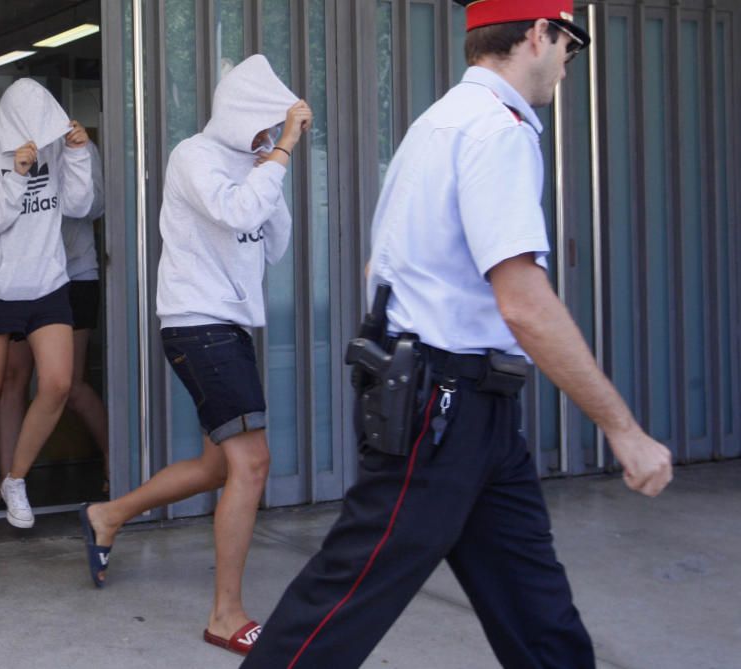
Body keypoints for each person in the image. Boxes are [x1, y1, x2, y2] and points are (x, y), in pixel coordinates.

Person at [242, 2, 673, 667]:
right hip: (443, 408)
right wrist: (622, 427)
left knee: (538, 612)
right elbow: (525, 304)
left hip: (467, 407)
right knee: (343, 601)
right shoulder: (496, 132)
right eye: (569, 45)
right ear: (537, 34)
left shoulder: (437, 123)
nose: (567, 63)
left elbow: (378, 262)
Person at [78, 54, 312, 656]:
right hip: (198, 325)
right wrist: (281, 153)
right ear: (241, 114)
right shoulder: (194, 156)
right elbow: (234, 211)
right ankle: (224, 614)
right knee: (252, 464)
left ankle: (107, 516)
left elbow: (274, 242)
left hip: (229, 326)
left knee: (217, 467)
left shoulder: (254, 163)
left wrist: (270, 167)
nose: (270, 134)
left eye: (276, 125)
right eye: (264, 122)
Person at [0, 78, 94, 540]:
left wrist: (77, 154)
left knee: (56, 384)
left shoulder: (55, 150)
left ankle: (15, 478)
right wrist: (15, 176)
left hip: (47, 285)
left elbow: (79, 206)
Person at [0, 140, 110, 509]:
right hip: (26, 279)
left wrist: (76, 157)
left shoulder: (79, 146)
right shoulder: (14, 150)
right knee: (12, 380)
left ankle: (116, 461)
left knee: (70, 385)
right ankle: (9, 481)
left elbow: (94, 206)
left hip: (75, 274)